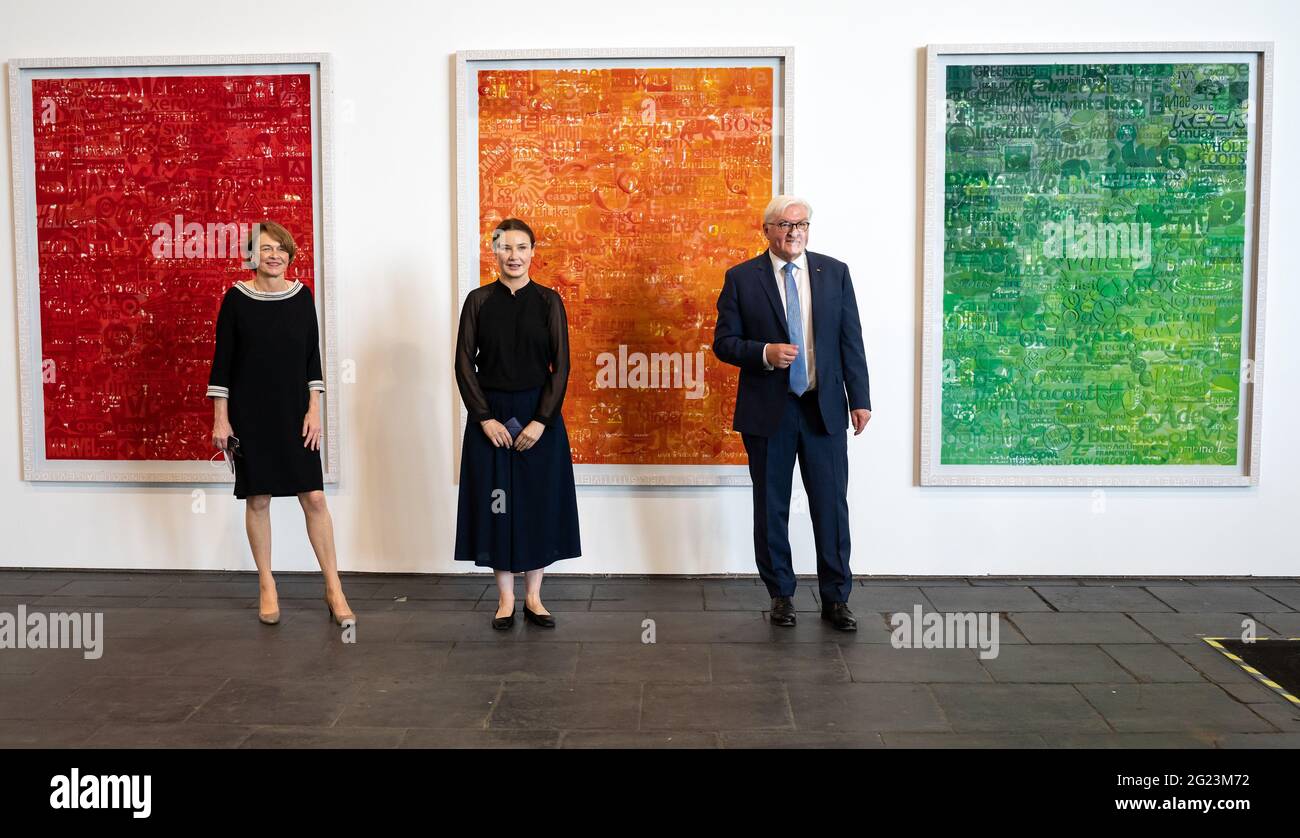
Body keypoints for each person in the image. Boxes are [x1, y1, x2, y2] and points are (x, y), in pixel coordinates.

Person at [713, 196, 872, 631]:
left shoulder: (834, 272)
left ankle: (836, 598)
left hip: (823, 408)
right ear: (766, 230)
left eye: (801, 224)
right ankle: (781, 595)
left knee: (831, 506)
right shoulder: (742, 279)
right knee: (771, 507)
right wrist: (764, 352)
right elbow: (723, 342)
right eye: (784, 224)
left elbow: (850, 339)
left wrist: (859, 398)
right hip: (769, 412)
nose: (794, 231)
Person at [207, 221, 355, 628]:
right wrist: (222, 417)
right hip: (251, 412)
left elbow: (312, 356)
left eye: (282, 250)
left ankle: (333, 587)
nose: (274, 256)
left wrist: (314, 409)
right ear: (252, 255)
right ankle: (267, 584)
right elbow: (223, 362)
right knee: (258, 499)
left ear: (290, 256)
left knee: (316, 499)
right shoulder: (236, 299)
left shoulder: (301, 296)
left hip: (295, 412)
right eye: (266, 249)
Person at [454, 218, 581, 630]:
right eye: (506, 248)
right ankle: (505, 599)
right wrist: (484, 418)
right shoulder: (477, 301)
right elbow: (463, 365)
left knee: (536, 503)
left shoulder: (549, 302)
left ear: (532, 252)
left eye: (522, 247)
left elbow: (560, 367)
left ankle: (534, 597)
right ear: (494, 252)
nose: (514, 256)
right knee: (497, 504)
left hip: (538, 415)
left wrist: (542, 421)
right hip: (489, 416)